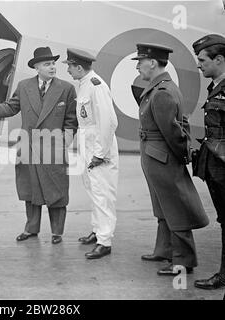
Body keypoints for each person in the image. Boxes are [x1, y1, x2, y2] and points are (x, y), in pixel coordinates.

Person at [0, 47, 77, 244]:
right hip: (28, 147)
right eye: (47, 64)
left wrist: (65, 142)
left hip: (53, 148)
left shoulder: (66, 89)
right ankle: (31, 229)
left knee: (56, 190)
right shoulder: (24, 86)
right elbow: (10, 107)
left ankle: (57, 232)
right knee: (30, 190)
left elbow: (72, 120)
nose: (52, 67)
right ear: (37, 67)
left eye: (53, 63)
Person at [132, 43, 209, 275]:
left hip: (162, 158)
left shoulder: (162, 92)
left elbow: (174, 133)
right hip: (155, 156)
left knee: (175, 207)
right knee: (163, 206)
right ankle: (164, 250)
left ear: (153, 63)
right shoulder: (160, 88)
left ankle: (183, 261)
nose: (137, 67)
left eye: (140, 62)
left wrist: (179, 157)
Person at [63, 48, 119, 259]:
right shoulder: (85, 84)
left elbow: (108, 122)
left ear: (78, 67)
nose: (68, 70)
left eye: (69, 66)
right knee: (93, 190)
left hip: (99, 149)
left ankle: (105, 241)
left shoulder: (97, 86)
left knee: (102, 193)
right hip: (89, 147)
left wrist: (99, 153)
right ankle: (97, 231)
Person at [191, 34, 225, 290]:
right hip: (216, 169)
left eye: (203, 60)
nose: (199, 64)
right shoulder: (216, 87)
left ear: (219, 59)